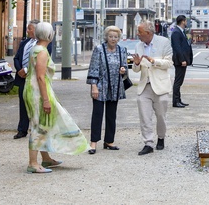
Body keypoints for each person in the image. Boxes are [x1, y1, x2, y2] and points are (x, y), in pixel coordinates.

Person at [24, 22, 88, 173]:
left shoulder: (35, 49)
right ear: (49, 35)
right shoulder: (42, 52)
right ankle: (33, 163)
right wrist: (46, 100)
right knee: (39, 125)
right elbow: (40, 77)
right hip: (38, 92)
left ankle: (45, 159)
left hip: (33, 90)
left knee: (43, 123)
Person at [132, 20, 173, 155]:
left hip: (160, 86)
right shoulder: (138, 46)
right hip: (145, 86)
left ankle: (161, 137)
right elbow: (136, 69)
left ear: (148, 33)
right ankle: (148, 143)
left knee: (161, 116)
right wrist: (136, 64)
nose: (138, 34)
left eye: (140, 32)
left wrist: (154, 61)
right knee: (145, 116)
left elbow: (169, 63)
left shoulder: (164, 42)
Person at [86, 25, 128, 154]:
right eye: (111, 36)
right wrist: (93, 86)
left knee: (111, 115)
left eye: (115, 37)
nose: (113, 39)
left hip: (115, 86)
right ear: (106, 37)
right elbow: (93, 68)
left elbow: (125, 66)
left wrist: (123, 70)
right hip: (100, 86)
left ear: (118, 38)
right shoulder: (99, 49)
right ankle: (93, 143)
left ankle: (109, 141)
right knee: (97, 114)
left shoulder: (122, 50)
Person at [13, 19, 39, 139]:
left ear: (36, 30)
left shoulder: (43, 44)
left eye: (29, 29)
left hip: (34, 78)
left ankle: (36, 129)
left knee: (35, 104)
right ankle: (22, 130)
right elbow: (16, 58)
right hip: (22, 77)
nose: (27, 31)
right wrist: (20, 70)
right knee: (23, 104)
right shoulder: (25, 42)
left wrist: (27, 70)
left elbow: (41, 60)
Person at [170, 15, 193, 108]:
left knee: (180, 81)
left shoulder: (182, 32)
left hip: (183, 60)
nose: (186, 22)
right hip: (180, 61)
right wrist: (182, 59)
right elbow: (177, 47)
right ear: (183, 21)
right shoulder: (176, 32)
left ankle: (178, 100)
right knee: (178, 81)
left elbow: (185, 45)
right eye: (185, 21)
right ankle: (175, 101)